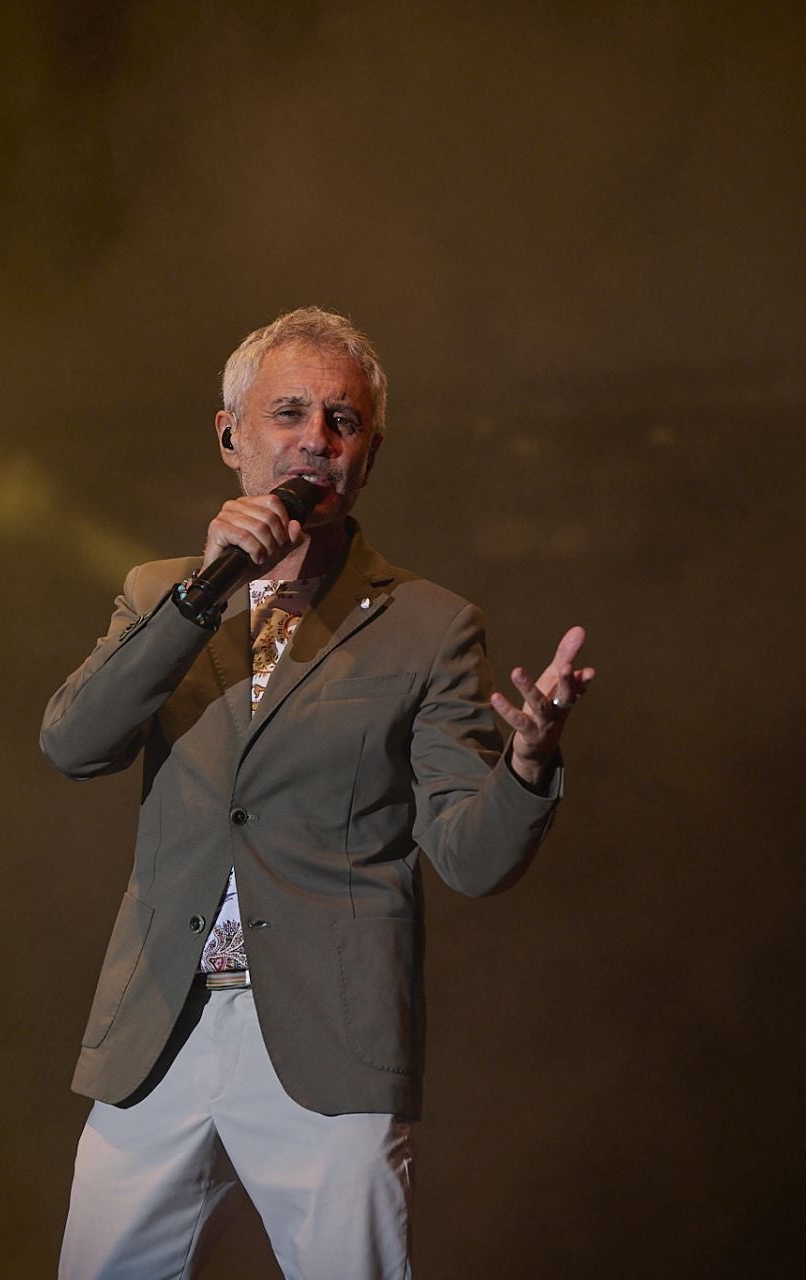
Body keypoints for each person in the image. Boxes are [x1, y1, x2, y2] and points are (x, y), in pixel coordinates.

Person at [42, 306, 594, 1278]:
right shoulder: (159, 590)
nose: (315, 439)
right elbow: (75, 743)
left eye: (343, 421)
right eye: (289, 411)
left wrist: (526, 764)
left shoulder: (428, 624)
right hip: (156, 1028)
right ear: (230, 435)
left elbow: (469, 855)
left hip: (327, 1031)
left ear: (369, 453)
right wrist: (201, 595)